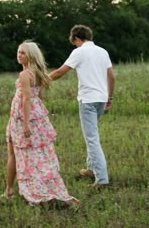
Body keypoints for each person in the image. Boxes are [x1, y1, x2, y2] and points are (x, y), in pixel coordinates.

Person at [3, 40, 79, 206]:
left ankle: (10, 190)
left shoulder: (25, 75)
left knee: (14, 153)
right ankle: (10, 189)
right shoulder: (38, 73)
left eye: (23, 52)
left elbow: (26, 99)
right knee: (38, 154)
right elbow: (39, 97)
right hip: (35, 117)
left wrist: (25, 125)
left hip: (23, 118)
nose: (19, 55)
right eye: (18, 51)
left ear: (30, 55)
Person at [48, 25, 115, 188]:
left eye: (74, 42)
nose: (75, 45)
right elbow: (111, 77)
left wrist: (41, 80)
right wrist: (109, 97)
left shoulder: (79, 52)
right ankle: (91, 169)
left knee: (92, 139)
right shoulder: (102, 51)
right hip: (101, 98)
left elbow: (59, 72)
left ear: (76, 38)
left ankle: (102, 179)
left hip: (88, 100)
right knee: (92, 134)